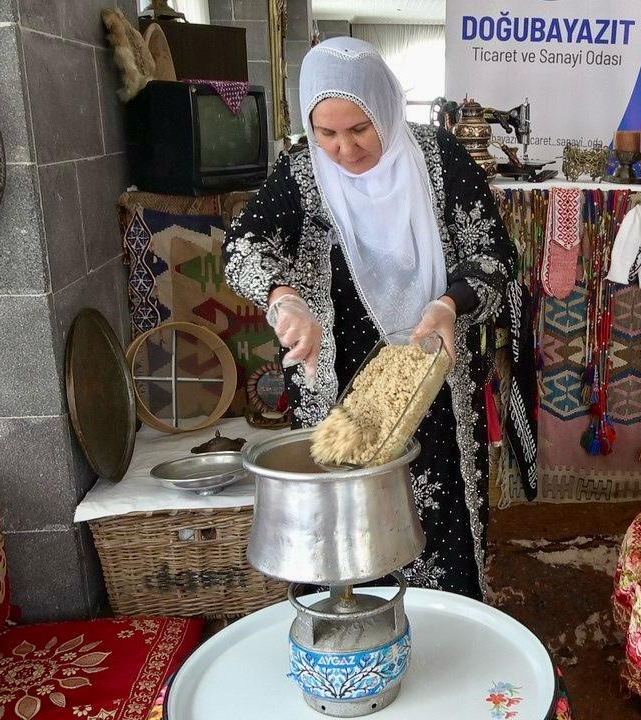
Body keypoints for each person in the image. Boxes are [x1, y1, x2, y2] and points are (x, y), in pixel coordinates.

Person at [222, 37, 537, 600]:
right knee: (345, 531)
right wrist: (284, 298)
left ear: (386, 109)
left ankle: (448, 639)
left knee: (437, 521)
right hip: (337, 391)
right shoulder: (300, 176)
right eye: (327, 133)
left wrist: (449, 303)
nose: (344, 149)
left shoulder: (440, 161)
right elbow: (244, 247)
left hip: (429, 384)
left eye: (360, 129)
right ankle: (351, 642)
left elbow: (491, 255)